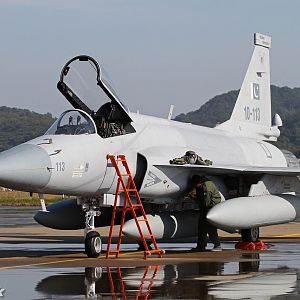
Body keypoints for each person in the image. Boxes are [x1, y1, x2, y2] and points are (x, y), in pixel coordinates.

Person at [189, 175, 222, 251]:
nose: (196, 186)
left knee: (211, 228)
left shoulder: (207, 188)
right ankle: (201, 246)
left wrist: (194, 198)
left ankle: (217, 245)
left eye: (196, 184)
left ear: (200, 183)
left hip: (211, 207)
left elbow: (206, 203)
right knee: (201, 228)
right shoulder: (199, 185)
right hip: (204, 208)